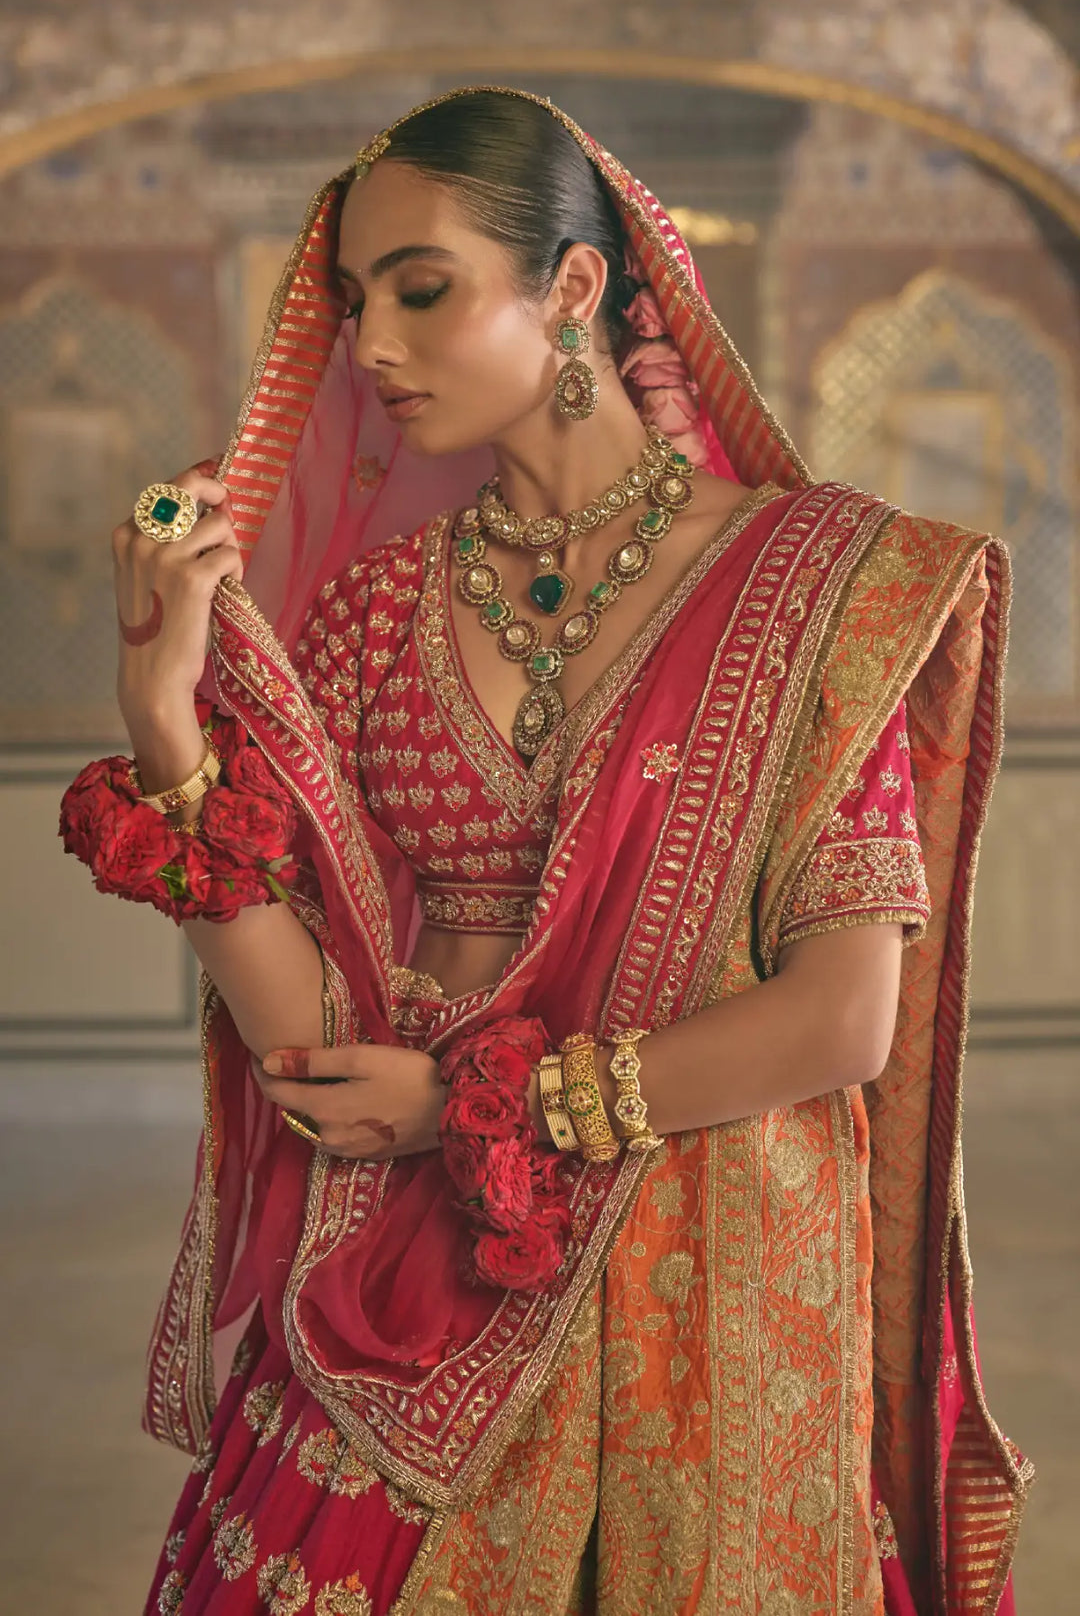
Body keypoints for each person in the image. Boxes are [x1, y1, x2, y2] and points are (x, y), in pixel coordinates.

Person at [60, 87, 1030, 1615]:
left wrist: (472, 1102)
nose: (372, 343)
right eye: (354, 301)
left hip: (706, 1288)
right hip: (414, 1294)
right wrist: (166, 725)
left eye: (422, 289)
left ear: (573, 286)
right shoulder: (375, 616)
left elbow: (847, 1020)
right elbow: (308, 1044)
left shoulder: (814, 591)